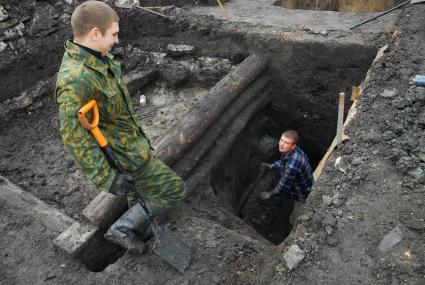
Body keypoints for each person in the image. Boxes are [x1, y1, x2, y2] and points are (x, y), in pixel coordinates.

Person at [55, 1, 186, 250]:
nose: (117, 39)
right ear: (95, 33)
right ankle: (122, 228)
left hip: (131, 146)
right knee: (174, 190)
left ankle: (142, 227)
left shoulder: (98, 59)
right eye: (114, 34)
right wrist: (107, 177)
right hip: (125, 157)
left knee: (137, 194)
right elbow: (74, 137)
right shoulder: (76, 78)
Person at [259, 130, 313, 226]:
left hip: (304, 193)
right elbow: (283, 162)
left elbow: (284, 185)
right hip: (306, 182)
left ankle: (294, 236)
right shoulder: (293, 151)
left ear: (293, 146)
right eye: (281, 140)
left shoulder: (293, 165)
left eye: (286, 143)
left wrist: (270, 194)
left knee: (294, 220)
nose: (281, 144)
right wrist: (271, 166)